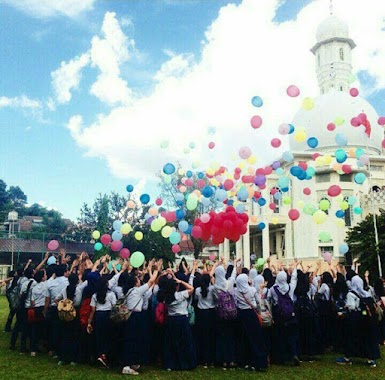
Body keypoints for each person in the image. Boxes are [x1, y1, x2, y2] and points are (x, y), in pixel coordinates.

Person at [120, 260, 159, 375]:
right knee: (132, 340)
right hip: (135, 317)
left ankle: (132, 362)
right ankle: (127, 365)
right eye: (137, 279)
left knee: (134, 340)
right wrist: (155, 270)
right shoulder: (136, 291)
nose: (139, 280)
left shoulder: (130, 291)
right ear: (135, 283)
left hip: (132, 317)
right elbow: (151, 282)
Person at [337, 275, 380, 368]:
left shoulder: (351, 294)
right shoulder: (367, 293)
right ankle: (371, 360)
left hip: (355, 320)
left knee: (351, 338)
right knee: (367, 339)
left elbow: (351, 308)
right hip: (367, 320)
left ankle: (348, 357)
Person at [161, 268, 196, 371]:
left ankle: (170, 364)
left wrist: (173, 277)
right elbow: (191, 288)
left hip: (171, 319)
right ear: (176, 287)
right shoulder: (180, 295)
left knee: (171, 343)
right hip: (181, 319)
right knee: (183, 342)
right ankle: (185, 363)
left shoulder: (167, 297)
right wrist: (181, 281)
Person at [235, 273, 268, 371]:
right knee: (256, 339)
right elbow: (258, 301)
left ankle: (245, 361)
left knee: (244, 339)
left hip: (241, 315)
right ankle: (259, 362)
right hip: (251, 314)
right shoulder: (252, 290)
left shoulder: (236, 291)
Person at [268, 261, 299, 366]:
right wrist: (295, 267)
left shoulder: (273, 289)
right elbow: (294, 279)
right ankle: (294, 354)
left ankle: (281, 357)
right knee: (292, 335)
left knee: (280, 335)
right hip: (290, 314)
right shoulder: (290, 288)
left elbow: (269, 300)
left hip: (278, 314)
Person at [87, 276, 117, 369]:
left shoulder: (95, 295)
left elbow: (92, 310)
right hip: (108, 316)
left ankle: (101, 354)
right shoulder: (111, 294)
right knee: (108, 336)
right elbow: (114, 307)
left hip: (98, 316)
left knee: (99, 336)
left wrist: (89, 322)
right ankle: (106, 356)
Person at [194, 272, 216, 367]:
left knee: (202, 336)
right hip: (211, 313)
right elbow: (216, 298)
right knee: (211, 336)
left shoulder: (198, 290)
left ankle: (203, 359)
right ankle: (211, 358)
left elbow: (196, 299)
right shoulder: (212, 289)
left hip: (201, 313)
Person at [29, 270, 48, 356]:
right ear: (42, 277)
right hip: (43, 309)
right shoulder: (46, 286)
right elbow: (47, 299)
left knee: (34, 330)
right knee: (44, 330)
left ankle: (33, 349)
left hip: (35, 309)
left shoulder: (34, 288)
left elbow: (32, 301)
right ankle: (46, 348)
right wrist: (45, 310)